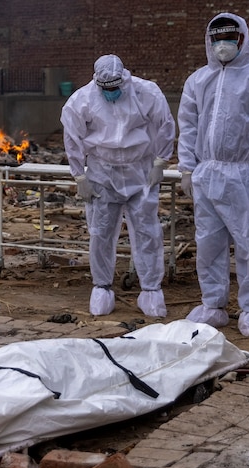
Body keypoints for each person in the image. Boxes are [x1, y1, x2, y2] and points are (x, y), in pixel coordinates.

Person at [177, 13, 249, 337]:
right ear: (209, 42)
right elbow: (188, 126)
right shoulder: (199, 79)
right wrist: (187, 167)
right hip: (207, 170)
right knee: (208, 242)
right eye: (217, 39)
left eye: (229, 38)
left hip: (248, 173)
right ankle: (213, 305)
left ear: (243, 38)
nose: (223, 45)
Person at [60, 54, 176, 317]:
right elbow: (73, 138)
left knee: (148, 231)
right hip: (103, 171)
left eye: (115, 87)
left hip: (141, 169)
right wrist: (79, 176)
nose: (111, 92)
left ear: (124, 78)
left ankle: (151, 291)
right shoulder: (82, 100)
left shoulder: (146, 92)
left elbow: (165, 125)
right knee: (100, 233)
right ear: (96, 82)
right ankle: (101, 287)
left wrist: (160, 161)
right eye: (106, 88)